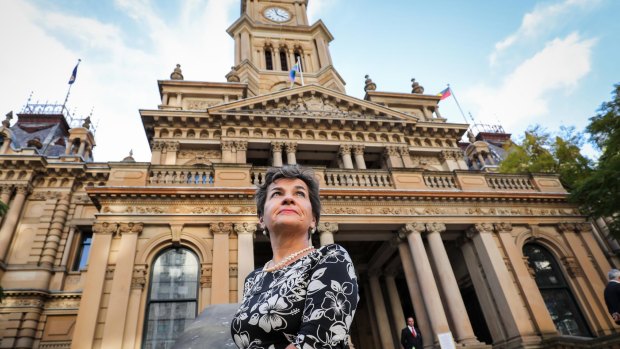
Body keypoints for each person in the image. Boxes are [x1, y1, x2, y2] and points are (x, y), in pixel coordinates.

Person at [231, 165, 359, 349]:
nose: (288, 198)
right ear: (261, 218)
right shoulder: (253, 279)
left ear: (313, 219)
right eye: (277, 194)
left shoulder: (331, 257)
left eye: (299, 194)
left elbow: (316, 340)